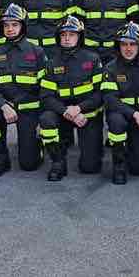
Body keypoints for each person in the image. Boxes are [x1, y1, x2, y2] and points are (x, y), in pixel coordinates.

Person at [0, 4, 47, 176]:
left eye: (14, 25)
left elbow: (44, 87)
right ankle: (0, 159)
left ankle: (36, 144)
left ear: (23, 26)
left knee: (28, 164)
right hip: (2, 106)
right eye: (6, 25)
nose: (10, 29)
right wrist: (3, 105)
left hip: (28, 108)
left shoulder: (37, 52)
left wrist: (37, 114)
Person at [39, 16, 105, 181]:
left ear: (80, 37)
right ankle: (58, 162)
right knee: (46, 119)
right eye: (63, 35)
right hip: (62, 113)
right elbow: (46, 97)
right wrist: (66, 111)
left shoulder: (93, 59)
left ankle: (94, 149)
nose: (67, 38)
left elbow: (100, 93)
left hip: (87, 114)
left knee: (90, 167)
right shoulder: (51, 63)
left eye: (72, 34)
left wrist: (79, 108)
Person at [101, 21, 139, 184]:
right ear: (118, 46)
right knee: (115, 120)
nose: (128, 48)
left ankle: (133, 148)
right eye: (124, 44)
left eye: (133, 44)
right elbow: (110, 99)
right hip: (123, 117)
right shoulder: (110, 68)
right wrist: (135, 114)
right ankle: (118, 163)